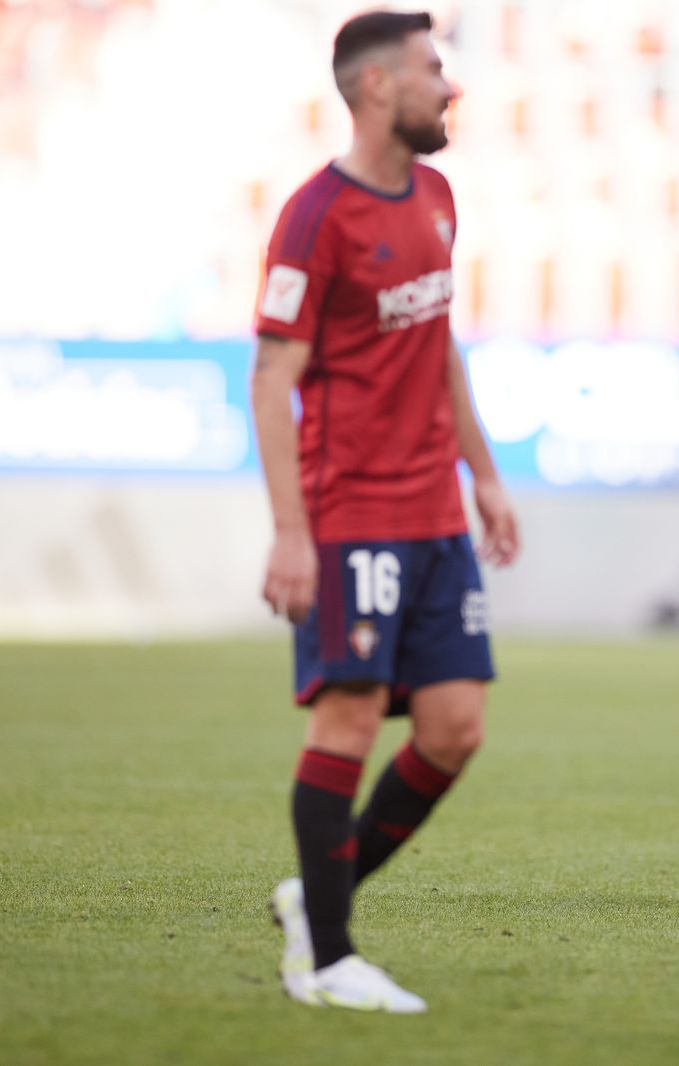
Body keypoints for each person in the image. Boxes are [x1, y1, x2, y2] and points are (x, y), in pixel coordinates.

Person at [250, 10, 519, 1013]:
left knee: (454, 728)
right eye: (431, 70)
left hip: (436, 514)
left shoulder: (440, 196)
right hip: (351, 508)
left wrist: (483, 474)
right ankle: (325, 959)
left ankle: (311, 904)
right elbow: (271, 375)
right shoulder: (316, 217)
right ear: (373, 88)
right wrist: (290, 530)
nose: (448, 88)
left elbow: (438, 343)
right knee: (351, 716)